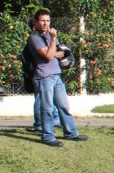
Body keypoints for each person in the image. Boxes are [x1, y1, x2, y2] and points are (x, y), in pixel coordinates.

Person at [29, 9, 87, 147]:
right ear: (36, 22)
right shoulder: (35, 37)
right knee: (47, 108)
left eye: (48, 21)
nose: (45, 24)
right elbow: (49, 56)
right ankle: (48, 137)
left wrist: (51, 50)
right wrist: (53, 42)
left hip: (56, 74)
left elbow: (64, 52)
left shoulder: (49, 35)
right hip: (44, 76)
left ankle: (71, 133)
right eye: (42, 21)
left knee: (63, 105)